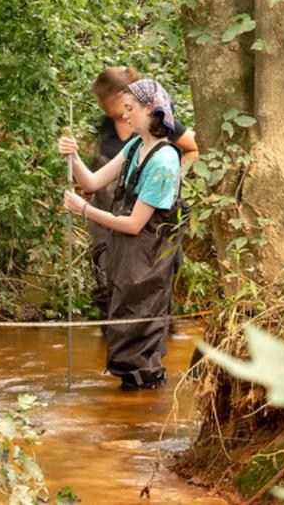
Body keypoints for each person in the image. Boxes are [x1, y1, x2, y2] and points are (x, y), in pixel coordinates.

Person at [60, 79, 188, 390]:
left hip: (148, 258)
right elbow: (91, 182)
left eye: (130, 109)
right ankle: (131, 407)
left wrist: (84, 210)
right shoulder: (134, 146)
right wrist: (73, 157)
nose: (125, 116)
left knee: (141, 333)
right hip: (125, 257)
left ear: (150, 110)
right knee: (122, 328)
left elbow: (134, 223)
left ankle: (146, 402)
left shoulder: (165, 160)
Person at [85, 67, 198, 334]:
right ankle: (116, 337)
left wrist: (167, 178)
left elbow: (194, 147)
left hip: (147, 220)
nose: (102, 106)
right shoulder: (106, 128)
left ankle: (154, 339)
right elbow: (98, 178)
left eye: (104, 100)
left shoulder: (157, 123)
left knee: (150, 280)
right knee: (107, 275)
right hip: (111, 218)